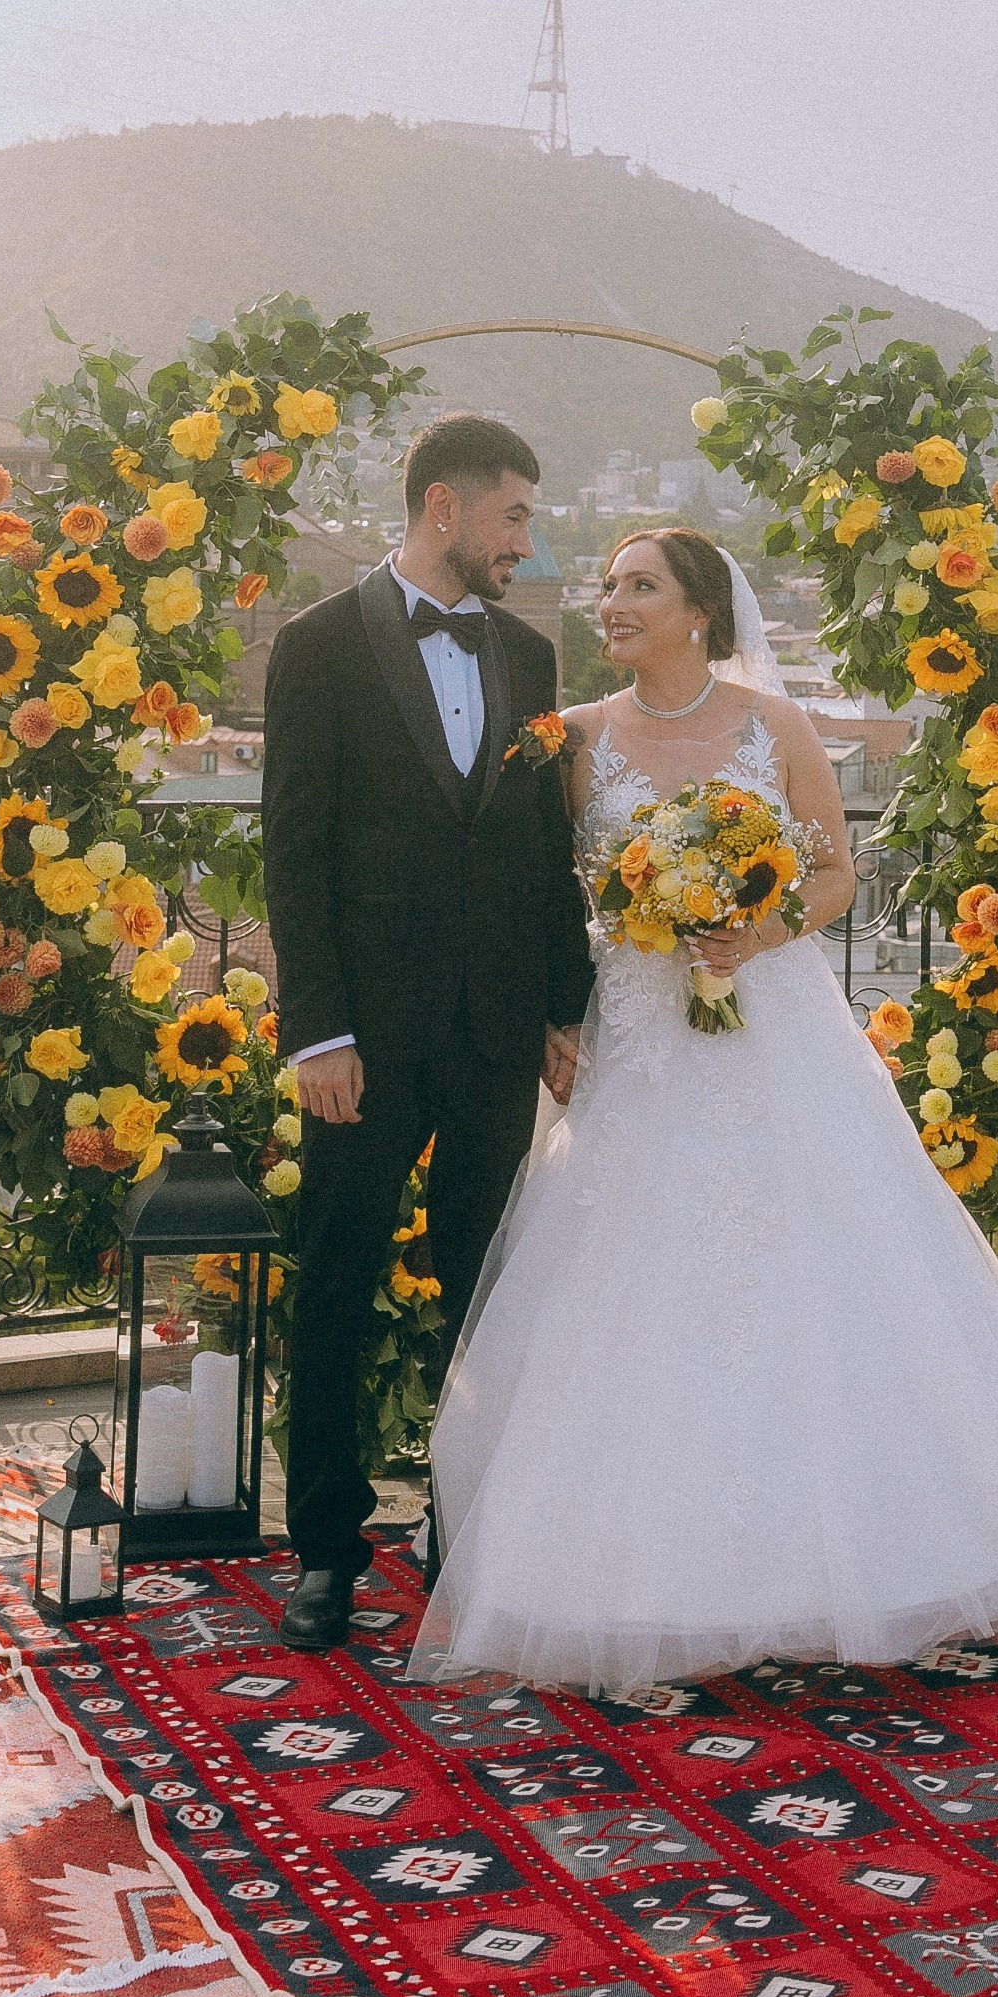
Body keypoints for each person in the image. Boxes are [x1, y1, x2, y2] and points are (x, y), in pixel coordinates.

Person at [408, 527, 998, 1691]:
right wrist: (558, 1013)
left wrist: (751, 932)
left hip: (768, 1030)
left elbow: (834, 874)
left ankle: (861, 1545)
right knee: (626, 1270)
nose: (611, 602)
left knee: (816, 1260)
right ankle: (632, 1560)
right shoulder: (573, 742)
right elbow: (540, 897)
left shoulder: (772, 728)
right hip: (637, 1038)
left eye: (638, 586)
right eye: (609, 585)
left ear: (700, 614)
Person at [262, 413, 593, 1651]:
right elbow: (293, 850)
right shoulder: (315, 646)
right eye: (511, 516)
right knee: (337, 1280)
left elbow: (541, 848)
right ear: (443, 508)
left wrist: (560, 1006)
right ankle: (325, 1552)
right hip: (364, 1036)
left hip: (495, 1025)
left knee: (487, 1289)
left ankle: (467, 1534)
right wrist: (317, 1034)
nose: (524, 542)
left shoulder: (529, 654)